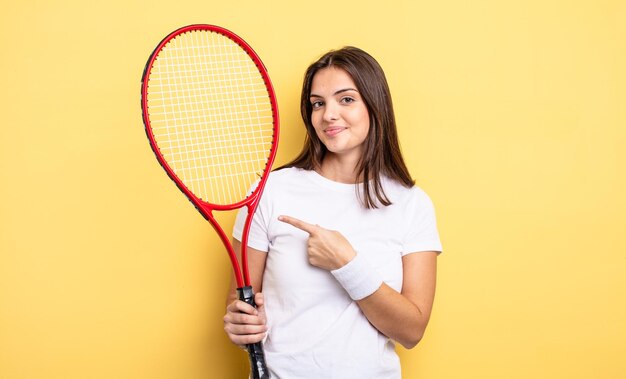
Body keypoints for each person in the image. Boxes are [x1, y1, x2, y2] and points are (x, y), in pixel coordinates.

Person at [223, 46, 442, 378]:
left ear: (375, 105)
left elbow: (411, 331)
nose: (328, 115)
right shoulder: (269, 192)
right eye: (318, 103)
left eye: (347, 99)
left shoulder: (412, 204)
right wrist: (241, 327)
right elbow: (240, 305)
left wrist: (347, 264)